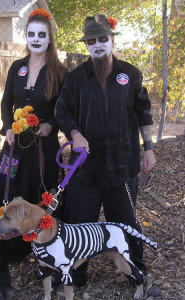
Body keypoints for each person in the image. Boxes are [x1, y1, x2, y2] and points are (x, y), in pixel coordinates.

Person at [55, 14, 156, 287]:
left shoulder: (131, 75)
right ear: (87, 45)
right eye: (92, 40)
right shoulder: (76, 78)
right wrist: (74, 134)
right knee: (78, 225)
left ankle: (135, 272)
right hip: (85, 169)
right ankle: (74, 277)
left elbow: (143, 112)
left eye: (103, 38)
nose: (98, 44)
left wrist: (148, 148)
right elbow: (61, 112)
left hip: (122, 167)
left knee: (126, 224)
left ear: (112, 40)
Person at [0, 8, 68, 214]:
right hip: (15, 144)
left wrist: (52, 125)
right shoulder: (16, 67)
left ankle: (39, 238)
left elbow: (66, 110)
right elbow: (6, 103)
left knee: (40, 189)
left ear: (50, 39)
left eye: (42, 34)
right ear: (26, 37)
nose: (36, 39)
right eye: (31, 34)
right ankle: (8, 238)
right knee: (6, 181)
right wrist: (8, 129)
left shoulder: (60, 72)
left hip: (44, 146)